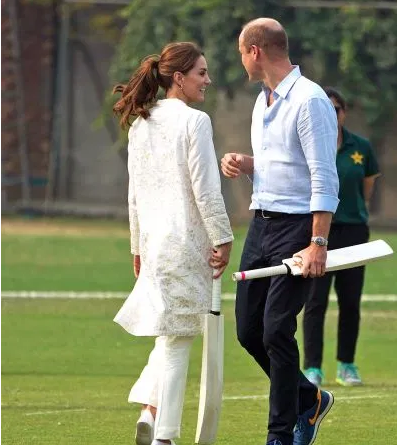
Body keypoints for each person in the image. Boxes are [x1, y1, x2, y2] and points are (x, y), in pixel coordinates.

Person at [220, 18, 339, 445]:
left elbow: (325, 176)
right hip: (261, 225)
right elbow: (280, 163)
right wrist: (245, 163)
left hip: (298, 229)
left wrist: (318, 243)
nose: (240, 60)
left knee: (275, 330)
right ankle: (310, 400)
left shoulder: (310, 101)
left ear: (255, 51)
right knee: (249, 331)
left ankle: (280, 435)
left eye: (240, 52)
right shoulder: (262, 100)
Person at [111, 42, 234, 445]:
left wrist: (137, 247)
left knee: (172, 333)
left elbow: (133, 195)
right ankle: (165, 436)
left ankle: (150, 411)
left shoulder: (140, 123)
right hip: (185, 245)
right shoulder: (194, 122)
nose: (208, 80)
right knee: (179, 340)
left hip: (155, 244)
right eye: (201, 72)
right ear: (178, 78)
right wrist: (224, 236)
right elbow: (206, 188)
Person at [302, 87, 381, 388]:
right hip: (318, 231)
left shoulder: (360, 147)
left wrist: (353, 212)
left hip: (353, 230)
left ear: (344, 113)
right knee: (315, 301)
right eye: (326, 108)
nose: (332, 115)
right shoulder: (309, 144)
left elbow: (367, 188)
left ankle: (347, 364)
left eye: (337, 109)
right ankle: (312, 368)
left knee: (350, 301)